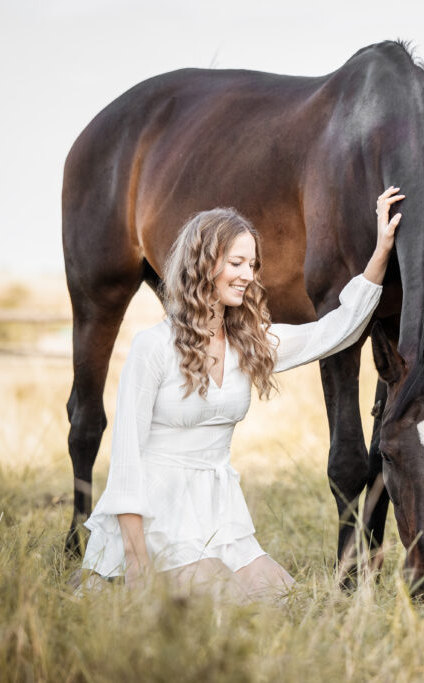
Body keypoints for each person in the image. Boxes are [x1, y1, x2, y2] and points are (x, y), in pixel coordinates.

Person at [80, 186, 404, 602]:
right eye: (236, 262)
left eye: (252, 264)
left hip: (221, 518)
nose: (248, 275)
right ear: (203, 263)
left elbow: (334, 331)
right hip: (156, 519)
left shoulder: (248, 344)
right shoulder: (153, 348)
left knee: (289, 601)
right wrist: (138, 562)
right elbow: (126, 460)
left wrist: (381, 249)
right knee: (226, 596)